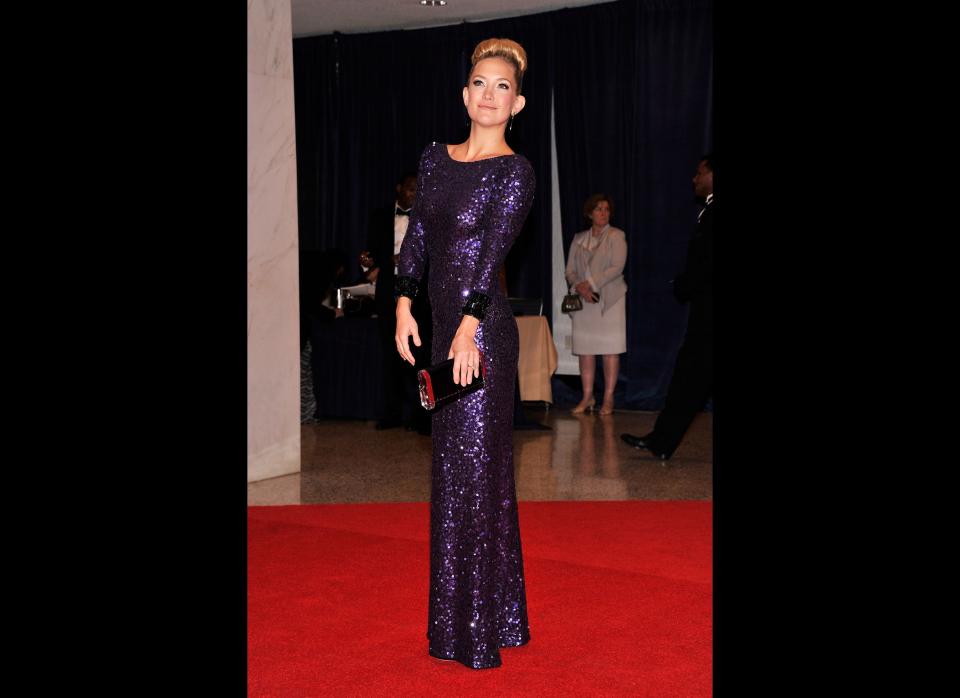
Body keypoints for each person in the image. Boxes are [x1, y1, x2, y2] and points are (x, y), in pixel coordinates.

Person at [394, 37, 535, 670]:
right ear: (464, 93)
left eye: (501, 87)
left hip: (483, 338)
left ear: (518, 103)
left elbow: (490, 255)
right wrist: (402, 301)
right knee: (453, 478)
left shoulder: (515, 172)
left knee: (479, 477)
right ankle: (483, 617)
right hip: (444, 330)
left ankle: (477, 631)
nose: (489, 95)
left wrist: (468, 328)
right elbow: (418, 231)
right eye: (480, 82)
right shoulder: (435, 159)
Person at [622, 153, 713, 460]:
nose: (695, 179)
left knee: (689, 378)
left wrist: (686, 284)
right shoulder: (708, 211)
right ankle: (662, 441)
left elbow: (706, 265)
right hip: (704, 317)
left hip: (708, 319)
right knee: (688, 380)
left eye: (700, 173)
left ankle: (662, 441)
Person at [363, 173, 432, 432]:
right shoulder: (379, 216)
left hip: (418, 295)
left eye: (418, 190)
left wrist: (410, 260)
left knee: (420, 355)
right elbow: (371, 256)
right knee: (390, 355)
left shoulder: (425, 217)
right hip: (388, 293)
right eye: (411, 189)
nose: (415, 194)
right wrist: (370, 260)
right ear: (399, 188)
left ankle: (422, 416)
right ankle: (392, 413)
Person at [564, 194, 628, 416]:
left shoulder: (617, 236)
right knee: (585, 351)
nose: (603, 213)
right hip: (584, 301)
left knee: (610, 351)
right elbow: (569, 270)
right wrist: (579, 286)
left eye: (606, 209)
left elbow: (616, 268)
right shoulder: (579, 238)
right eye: (599, 209)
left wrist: (589, 283)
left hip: (610, 301)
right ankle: (587, 396)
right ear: (590, 213)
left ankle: (608, 398)